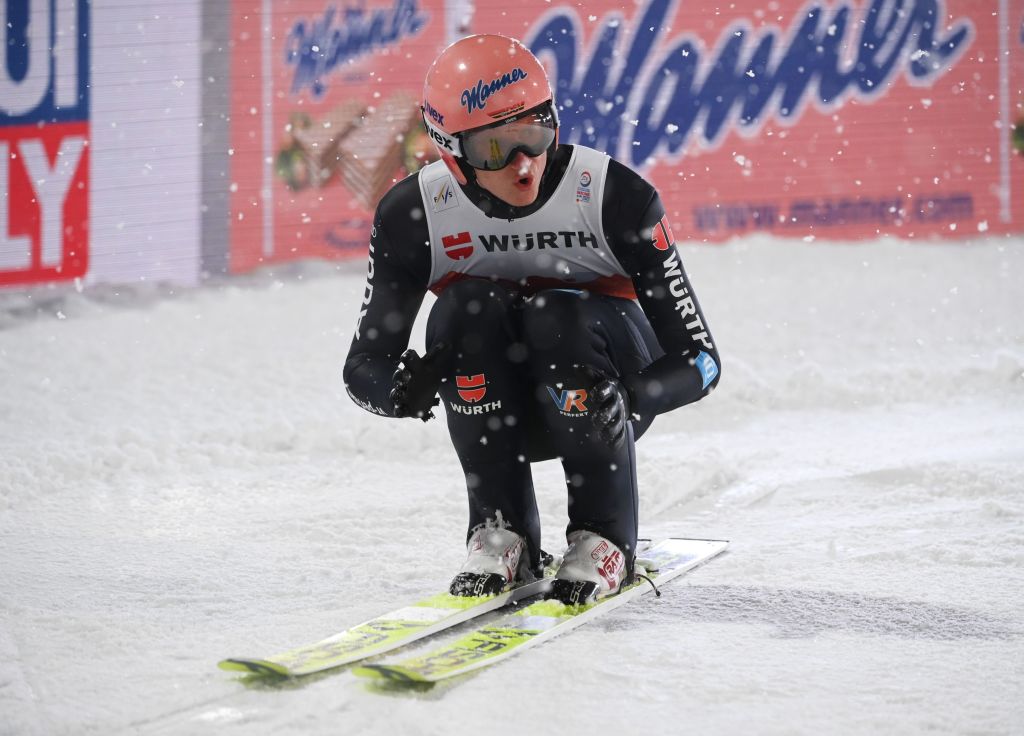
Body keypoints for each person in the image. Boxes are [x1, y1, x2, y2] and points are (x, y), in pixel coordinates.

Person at [343, 34, 720, 605]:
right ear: (448, 148)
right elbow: (362, 366)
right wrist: (397, 390)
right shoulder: (413, 214)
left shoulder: (613, 196)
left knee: (557, 312)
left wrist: (637, 395)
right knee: (464, 308)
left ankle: (604, 535)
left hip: (599, 392)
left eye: (536, 135)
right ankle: (501, 530)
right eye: (496, 149)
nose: (524, 166)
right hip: (497, 403)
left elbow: (702, 359)